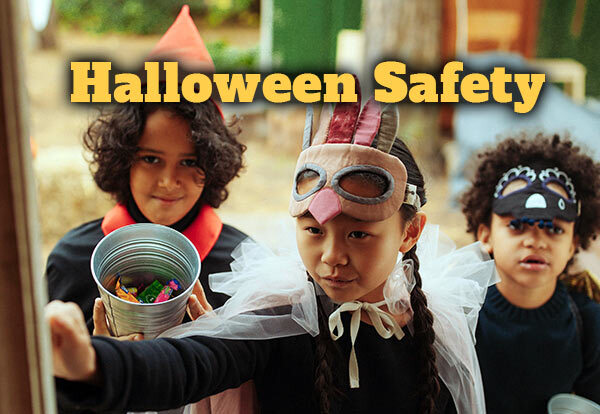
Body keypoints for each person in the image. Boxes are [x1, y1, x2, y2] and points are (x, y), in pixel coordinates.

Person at [46, 83, 496, 414]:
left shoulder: (436, 327)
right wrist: (93, 363)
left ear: (410, 232)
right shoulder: (277, 316)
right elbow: (190, 363)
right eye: (313, 230)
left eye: (358, 233)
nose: (331, 256)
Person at [460, 134, 600, 413]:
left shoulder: (590, 323)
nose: (535, 241)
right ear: (485, 234)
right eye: (518, 225)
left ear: (574, 242)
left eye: (555, 229)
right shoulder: (460, 318)